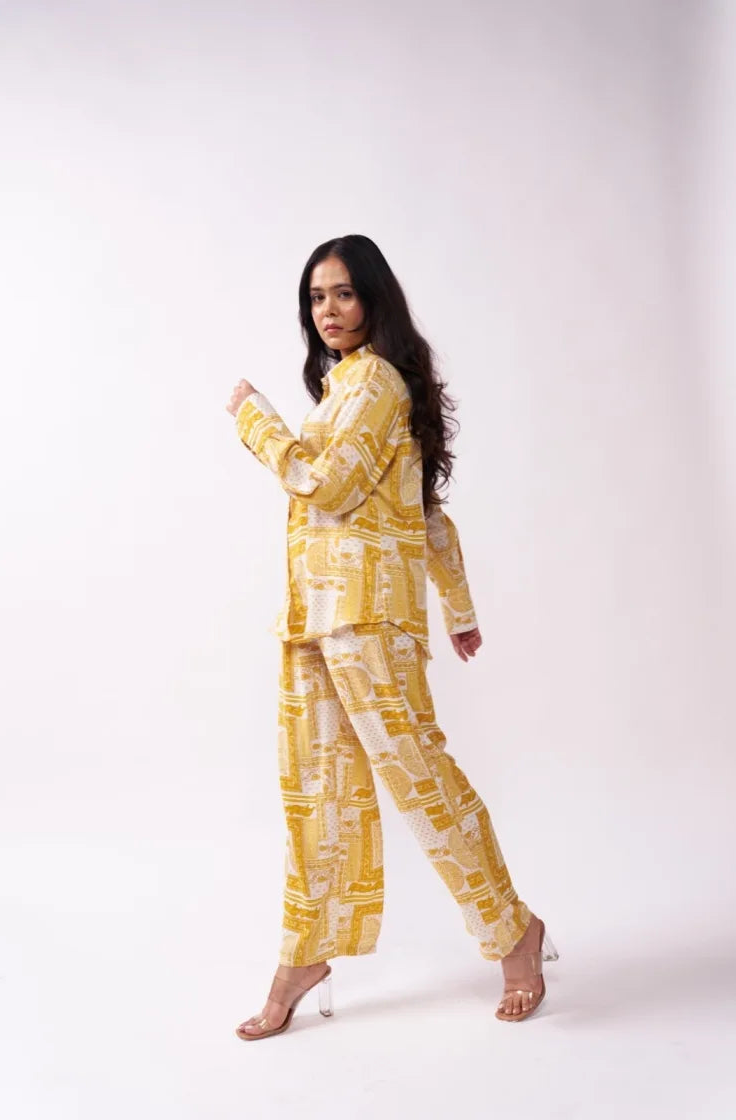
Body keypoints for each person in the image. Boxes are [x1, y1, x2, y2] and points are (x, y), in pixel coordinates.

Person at [225, 234, 558, 1039]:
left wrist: (254, 421)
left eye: (342, 293)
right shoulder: (344, 390)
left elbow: (329, 487)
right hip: (312, 617)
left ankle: (513, 930)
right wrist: (460, 608)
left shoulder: (373, 379)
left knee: (419, 780)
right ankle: (305, 953)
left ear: (373, 298)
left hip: (367, 620)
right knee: (318, 795)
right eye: (315, 298)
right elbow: (425, 515)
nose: (328, 311)